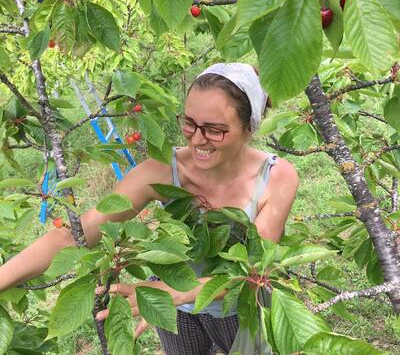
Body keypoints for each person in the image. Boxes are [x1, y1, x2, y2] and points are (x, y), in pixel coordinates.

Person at [0, 63, 299, 355]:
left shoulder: (276, 178)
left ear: (249, 128)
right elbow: (76, 234)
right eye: (189, 123)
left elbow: (252, 273)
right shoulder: (162, 172)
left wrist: (173, 292)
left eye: (215, 130)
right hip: (176, 308)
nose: (197, 139)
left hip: (238, 308)